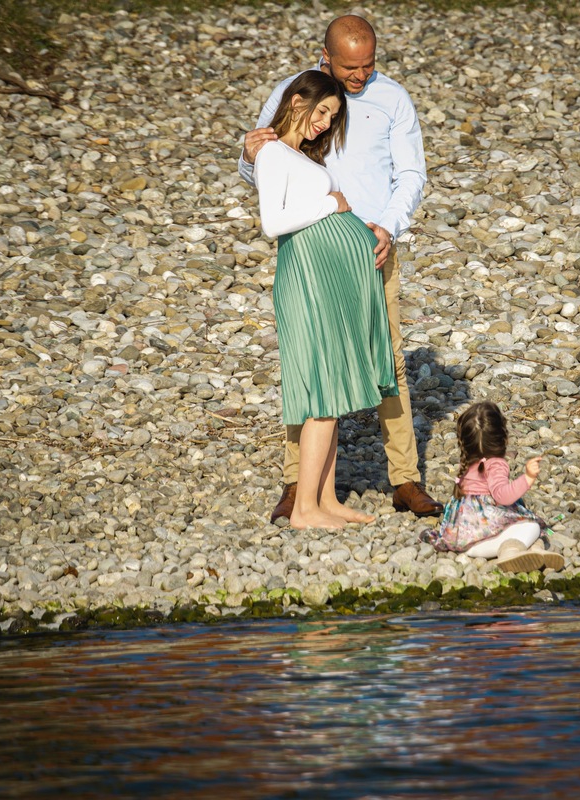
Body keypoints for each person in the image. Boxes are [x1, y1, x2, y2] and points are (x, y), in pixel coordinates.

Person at [239, 14, 443, 522]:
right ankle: (297, 484)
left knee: (388, 362)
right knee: (308, 365)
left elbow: (412, 173)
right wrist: (246, 157)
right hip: (313, 249)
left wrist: (388, 227)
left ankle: (405, 479)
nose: (360, 76)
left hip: (372, 247)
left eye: (368, 64)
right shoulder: (297, 92)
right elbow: (264, 162)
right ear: (325, 55)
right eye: (350, 67)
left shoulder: (392, 99)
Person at [253, 69, 398, 530]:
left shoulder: (303, 158)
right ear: (296, 102)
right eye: (321, 112)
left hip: (331, 278)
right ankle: (304, 510)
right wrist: (333, 206)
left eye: (332, 117)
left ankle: (326, 500)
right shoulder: (273, 153)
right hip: (310, 281)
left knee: (333, 388)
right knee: (321, 390)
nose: (324, 123)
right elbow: (273, 222)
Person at [421, 402, 565, 572]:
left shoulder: (468, 464)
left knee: (530, 524)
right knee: (532, 526)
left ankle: (536, 552)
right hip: (488, 542)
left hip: (466, 545)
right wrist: (527, 478)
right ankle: (511, 552)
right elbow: (502, 496)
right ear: (504, 437)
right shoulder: (496, 464)